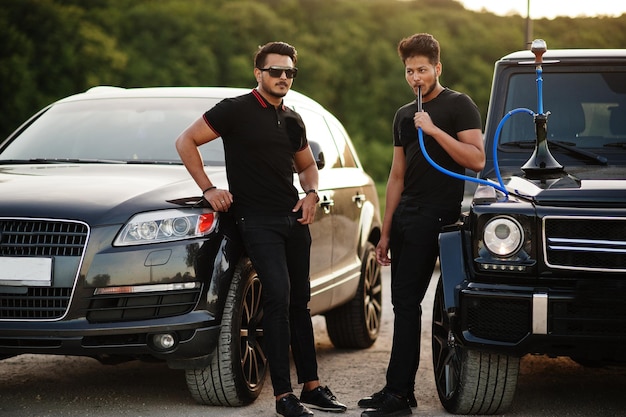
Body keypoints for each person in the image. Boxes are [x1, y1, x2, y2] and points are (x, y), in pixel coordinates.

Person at [175, 41, 347, 417]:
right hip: (256, 220)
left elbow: (306, 166)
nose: (283, 77)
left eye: (289, 72)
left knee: (300, 302)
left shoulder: (293, 119)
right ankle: (284, 397)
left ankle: (312, 387)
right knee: (278, 298)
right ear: (258, 73)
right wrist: (208, 188)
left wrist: (312, 192)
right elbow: (185, 141)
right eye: (275, 71)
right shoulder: (235, 110)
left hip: (293, 219)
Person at [358, 33, 485, 417]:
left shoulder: (458, 105)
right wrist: (387, 229)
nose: (416, 77)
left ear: (437, 68)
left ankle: (445, 385)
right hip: (410, 216)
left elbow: (476, 160)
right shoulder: (402, 115)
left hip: (444, 215)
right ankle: (399, 393)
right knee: (404, 305)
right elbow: (396, 175)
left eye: (422, 70)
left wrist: (432, 130)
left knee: (450, 307)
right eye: (410, 71)